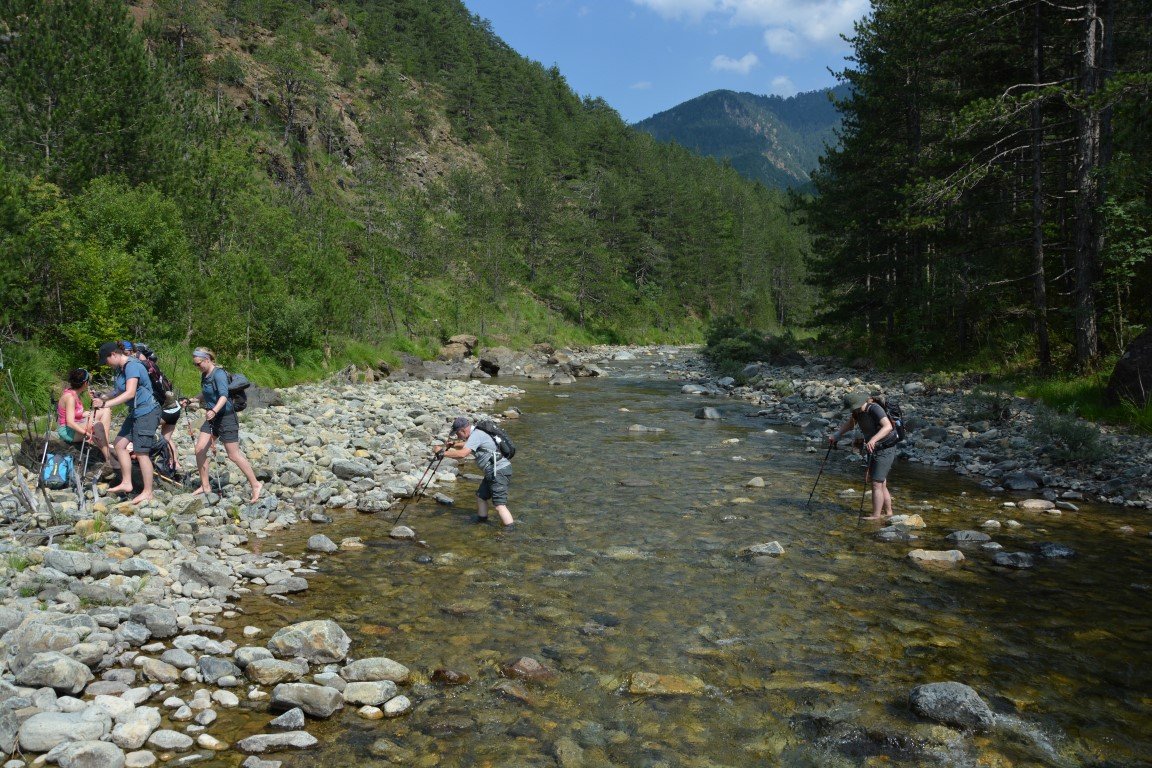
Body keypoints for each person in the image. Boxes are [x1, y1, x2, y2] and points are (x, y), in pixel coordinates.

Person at [191, 347, 261, 503]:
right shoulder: (205, 375)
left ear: (207, 359)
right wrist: (193, 400)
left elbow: (223, 395)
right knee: (199, 449)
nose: (197, 367)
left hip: (226, 417)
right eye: (195, 364)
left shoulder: (219, 374)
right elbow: (206, 392)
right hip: (213, 418)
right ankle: (205, 485)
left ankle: (256, 485)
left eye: (198, 363)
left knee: (233, 455)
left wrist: (214, 410)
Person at [93, 341, 159, 504]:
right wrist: (102, 397)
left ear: (114, 355)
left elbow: (129, 393)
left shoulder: (132, 366)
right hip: (136, 412)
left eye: (106, 360)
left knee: (141, 451)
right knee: (119, 444)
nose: (106, 365)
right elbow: (118, 390)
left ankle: (148, 492)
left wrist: (105, 405)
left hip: (148, 411)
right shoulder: (120, 369)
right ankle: (127, 482)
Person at [829, 392, 896, 520]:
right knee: (881, 482)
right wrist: (836, 435)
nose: (852, 411)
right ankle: (888, 513)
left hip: (885, 447)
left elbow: (887, 427)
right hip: (875, 448)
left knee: (876, 483)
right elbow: (850, 425)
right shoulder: (857, 411)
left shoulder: (875, 409)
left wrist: (873, 440)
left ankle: (876, 515)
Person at [438, 416, 514, 527]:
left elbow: (462, 454)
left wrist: (441, 453)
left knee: (499, 505)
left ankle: (510, 531)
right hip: (493, 471)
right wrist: (454, 444)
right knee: (481, 496)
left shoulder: (476, 434)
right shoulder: (476, 434)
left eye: (457, 434)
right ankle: (482, 521)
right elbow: (469, 445)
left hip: (498, 471)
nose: (458, 436)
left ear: (463, 430)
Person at [133, 343, 183, 470]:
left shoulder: (143, 368)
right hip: (174, 408)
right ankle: (175, 463)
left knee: (141, 428)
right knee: (166, 438)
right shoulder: (154, 368)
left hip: (165, 410)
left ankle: (142, 455)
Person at [56, 368, 114, 466]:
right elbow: (70, 422)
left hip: (77, 423)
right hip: (68, 431)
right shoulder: (70, 397)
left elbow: (75, 413)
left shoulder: (75, 393)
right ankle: (108, 458)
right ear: (85, 383)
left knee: (106, 410)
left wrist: (86, 413)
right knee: (96, 424)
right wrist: (86, 434)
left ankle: (105, 444)